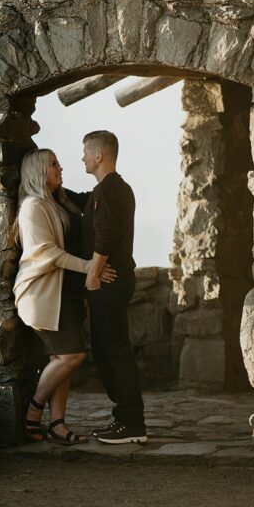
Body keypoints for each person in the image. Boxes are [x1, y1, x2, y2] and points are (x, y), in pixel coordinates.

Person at [12, 148, 116, 445]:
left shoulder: (59, 201)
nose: (61, 167)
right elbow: (47, 252)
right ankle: (33, 411)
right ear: (37, 171)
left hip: (66, 294)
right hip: (43, 294)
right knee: (73, 355)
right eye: (53, 164)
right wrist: (91, 269)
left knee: (61, 359)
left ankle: (57, 424)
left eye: (59, 162)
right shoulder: (33, 206)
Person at [65, 130, 147, 445]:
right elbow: (86, 203)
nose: (82, 158)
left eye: (86, 152)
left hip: (109, 282)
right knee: (107, 350)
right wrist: (56, 191)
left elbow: (107, 232)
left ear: (99, 155)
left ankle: (132, 424)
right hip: (111, 281)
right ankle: (124, 419)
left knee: (114, 351)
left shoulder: (112, 189)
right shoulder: (108, 189)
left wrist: (93, 273)